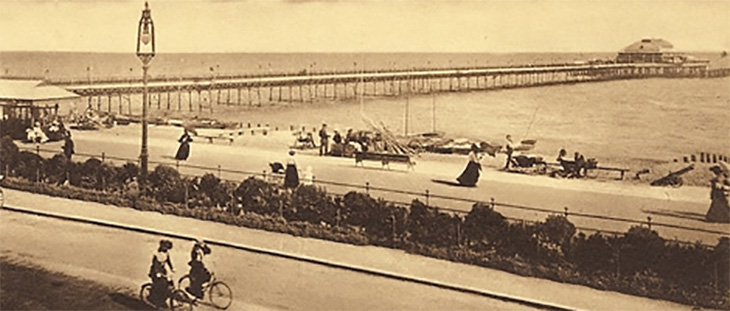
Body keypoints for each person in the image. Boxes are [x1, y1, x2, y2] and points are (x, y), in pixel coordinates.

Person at [148, 239, 175, 308]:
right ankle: (153, 298)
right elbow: (155, 264)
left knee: (169, 284)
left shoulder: (166, 253)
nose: (166, 249)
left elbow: (168, 261)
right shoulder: (157, 254)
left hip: (163, 270)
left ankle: (163, 300)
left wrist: (172, 268)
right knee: (160, 286)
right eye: (165, 247)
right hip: (155, 272)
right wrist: (157, 273)